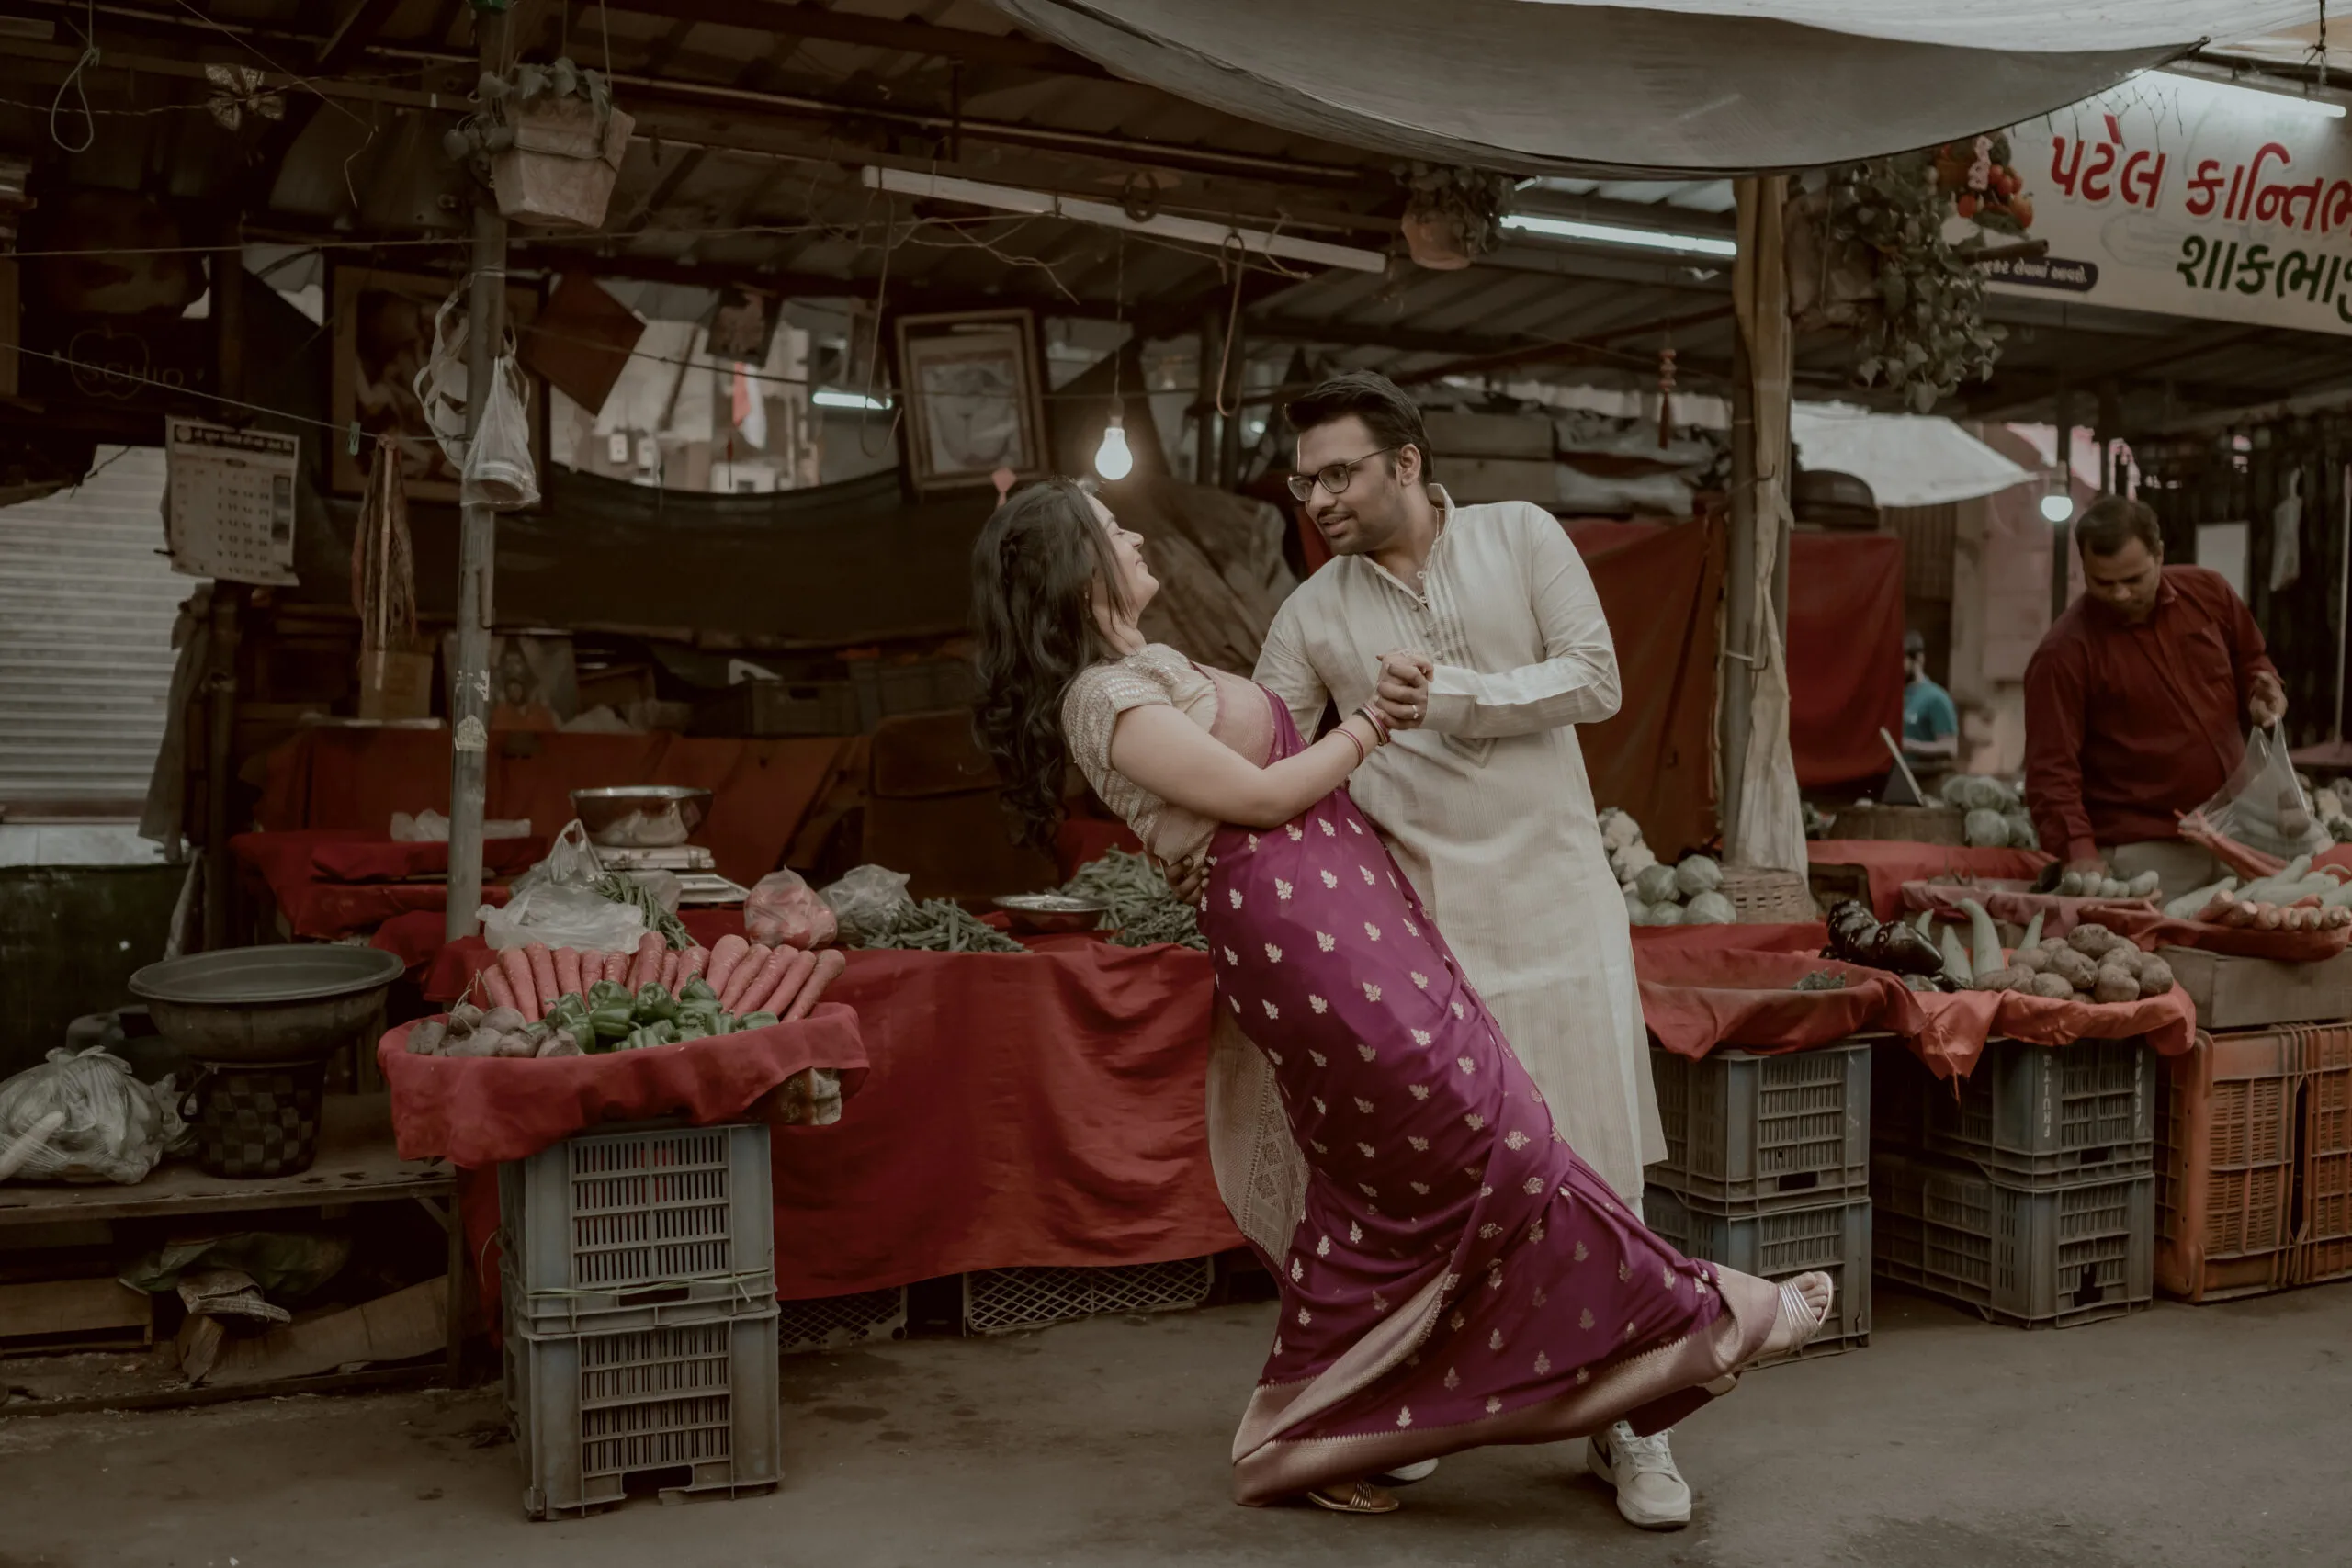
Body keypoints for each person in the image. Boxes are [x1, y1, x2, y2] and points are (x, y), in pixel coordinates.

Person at [968, 476, 1835, 1521]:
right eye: (1112, 529)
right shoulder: (1100, 698)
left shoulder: (1152, 665)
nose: (1136, 535)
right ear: (1076, 570)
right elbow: (1261, 797)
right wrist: (1374, 720)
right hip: (1304, 946)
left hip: (1348, 920)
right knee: (1492, 1137)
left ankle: (1339, 1420)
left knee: (1384, 1187)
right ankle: (1701, 1315)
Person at [1245, 371, 1690, 1529]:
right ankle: (1432, 1408)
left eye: (1337, 473)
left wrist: (1450, 696)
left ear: (1406, 462)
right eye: (1302, 481)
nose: (1317, 499)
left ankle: (1632, 1422)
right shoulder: (1311, 613)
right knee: (1454, 1178)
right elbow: (1267, 764)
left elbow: (1594, 678)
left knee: (1598, 1163)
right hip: (1425, 937)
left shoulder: (1520, 536)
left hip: (1559, 906)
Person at [2025, 493, 2287, 898]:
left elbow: (2250, 657)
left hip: (2240, 830)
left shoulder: (2210, 594)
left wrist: (2263, 687)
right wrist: (2078, 851)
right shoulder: (2063, 654)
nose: (2120, 594)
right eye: (2103, 582)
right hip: (2145, 849)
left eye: (2133, 580)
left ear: (2159, 555)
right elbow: (2051, 769)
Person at [1901, 630, 1959, 772]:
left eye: (1901, 659)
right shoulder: (1893, 698)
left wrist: (1909, 745)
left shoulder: (1936, 698)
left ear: (1918, 659)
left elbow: (1950, 748)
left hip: (1923, 778)